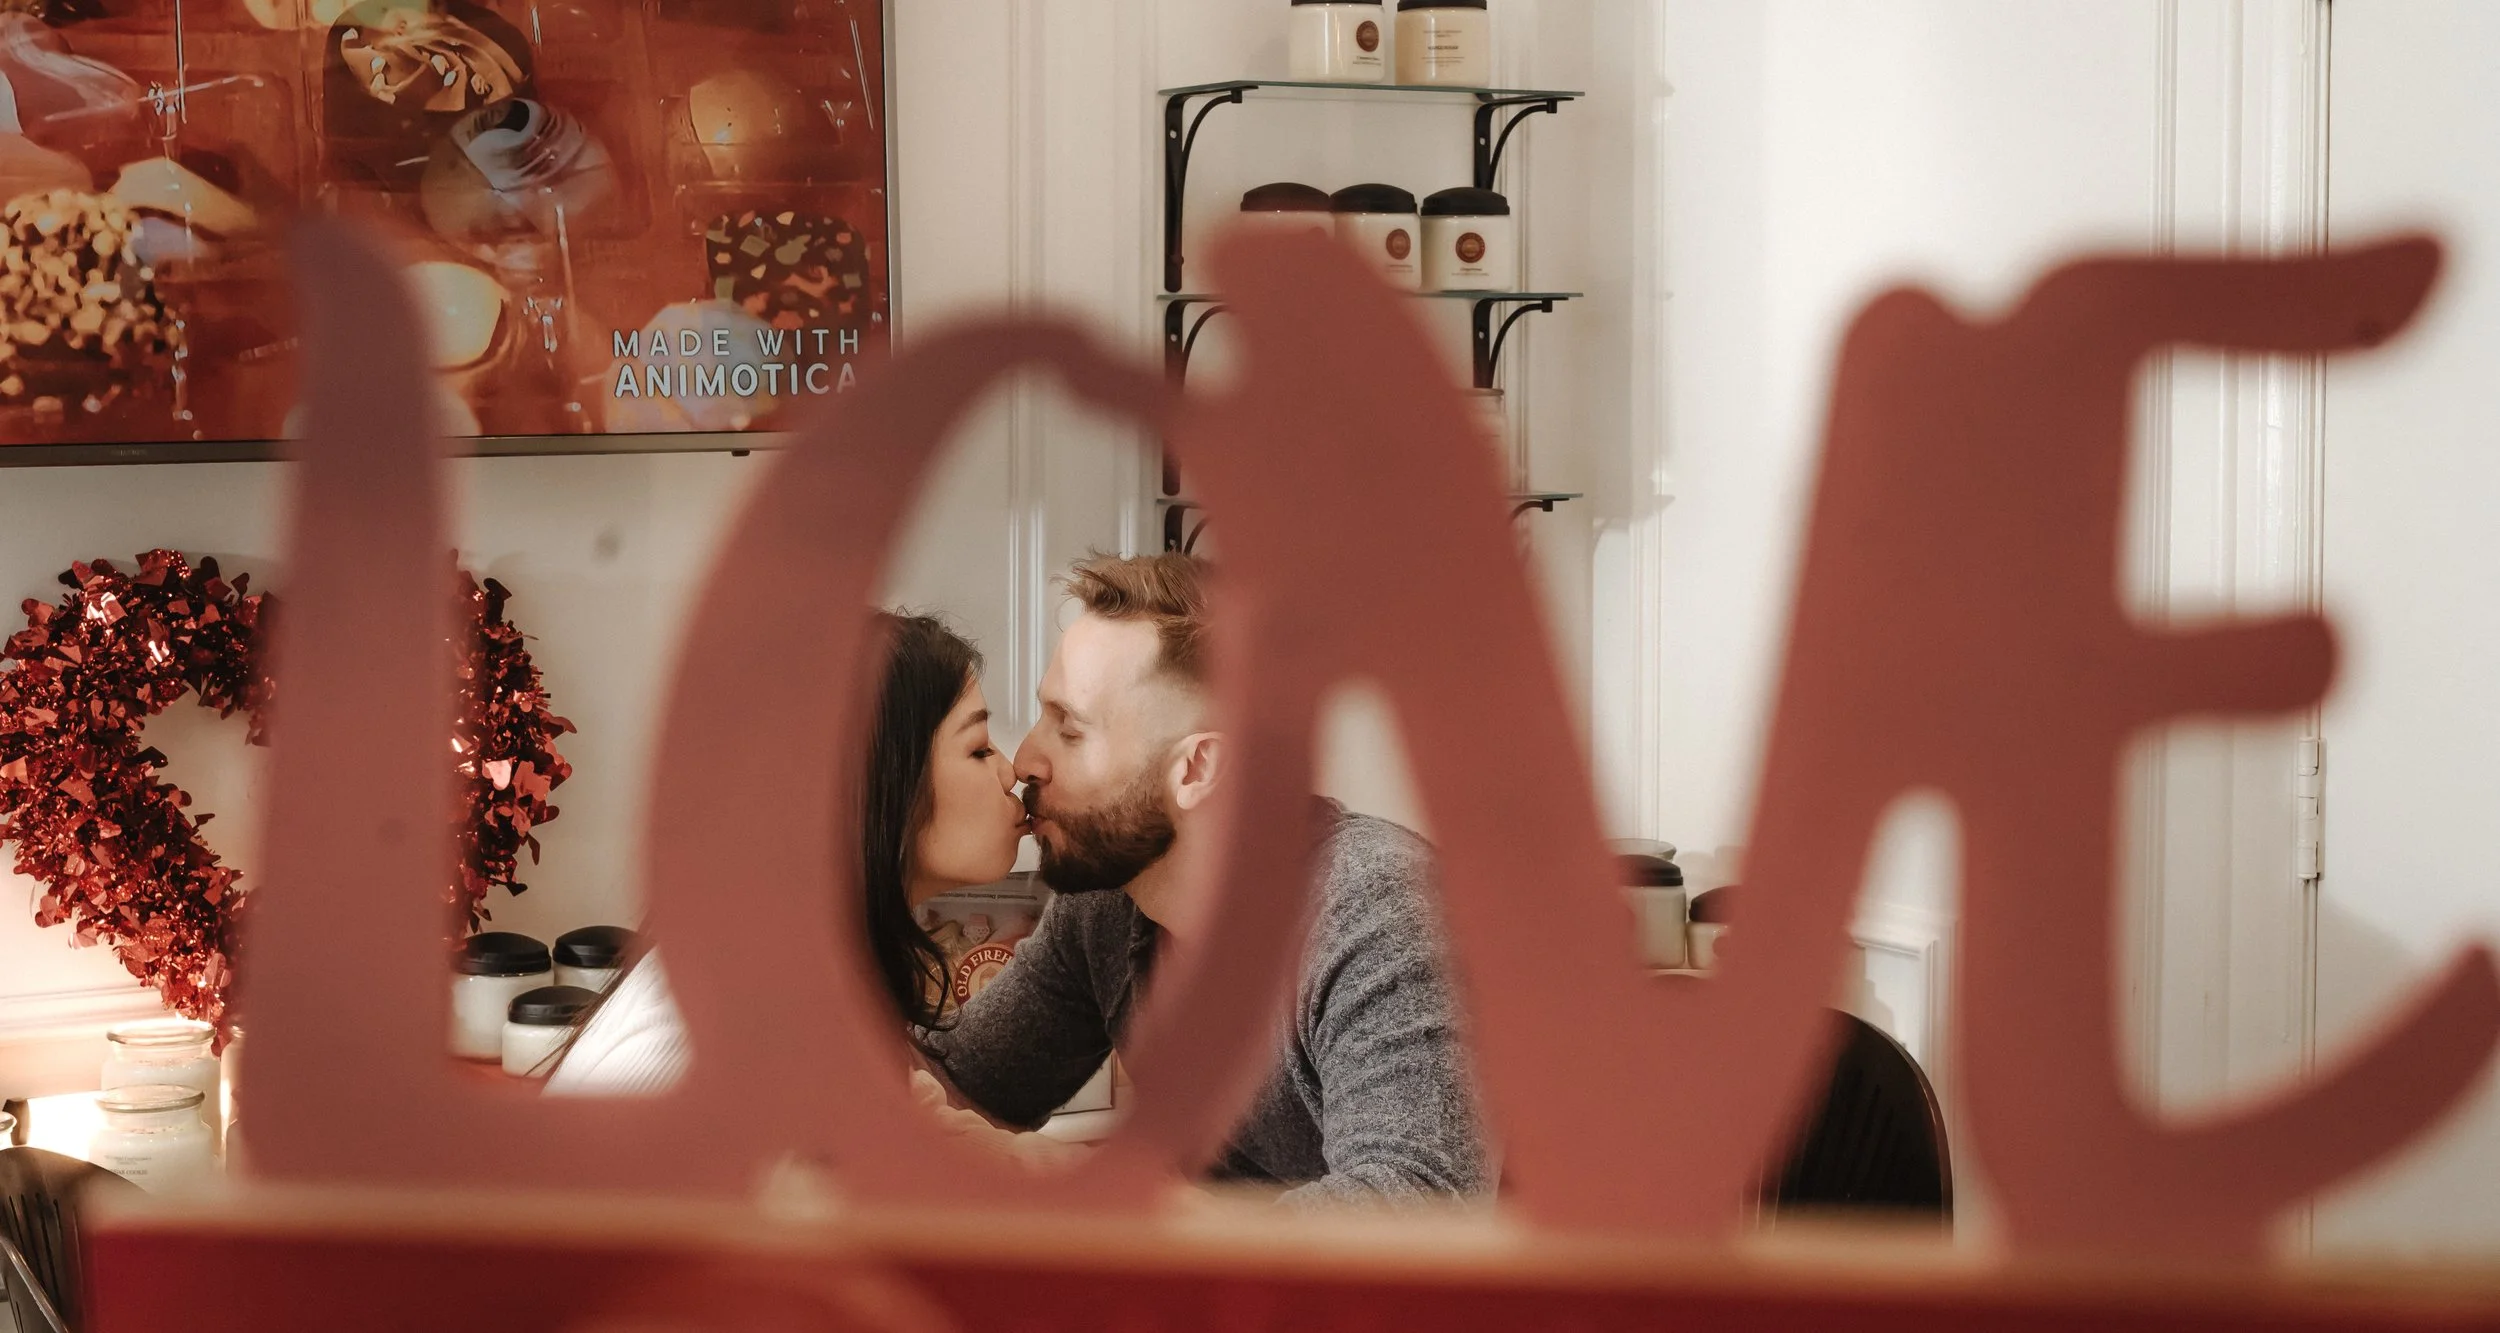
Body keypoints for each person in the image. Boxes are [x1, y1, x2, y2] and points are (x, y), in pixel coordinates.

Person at [913, 553, 1490, 1206]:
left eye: (1069, 730)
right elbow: (965, 1080)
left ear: (1196, 769)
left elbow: (1416, 1203)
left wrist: (1110, 1208)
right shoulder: (1108, 906)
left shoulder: (1382, 914)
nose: (1025, 760)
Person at [545, 613, 1028, 1093]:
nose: (1012, 773)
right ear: (875, 785)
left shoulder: (823, 982)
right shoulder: (706, 1030)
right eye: (979, 749)